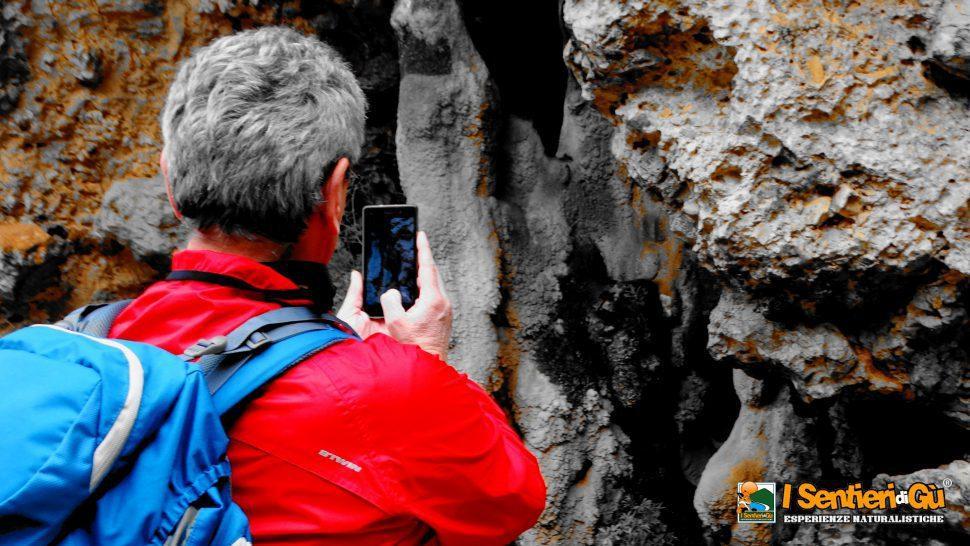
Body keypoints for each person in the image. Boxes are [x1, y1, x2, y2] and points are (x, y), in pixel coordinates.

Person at [106, 26, 545, 545]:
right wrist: (419, 361)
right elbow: (509, 502)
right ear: (335, 192)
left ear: (171, 185)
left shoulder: (87, 341)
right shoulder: (389, 391)